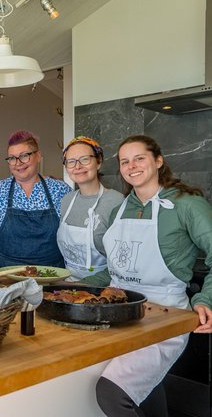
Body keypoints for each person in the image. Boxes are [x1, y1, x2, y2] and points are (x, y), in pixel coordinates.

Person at [79, 135, 212, 416]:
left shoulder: (187, 205)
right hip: (117, 312)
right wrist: (69, 285)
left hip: (164, 316)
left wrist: (206, 299)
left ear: (158, 161)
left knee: (112, 392)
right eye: (125, 161)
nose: (131, 166)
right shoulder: (119, 211)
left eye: (139, 158)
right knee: (139, 389)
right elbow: (116, 273)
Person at [0, 130, 71, 268]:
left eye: (24, 156)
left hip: (51, 276)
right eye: (12, 158)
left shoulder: (61, 190)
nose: (18, 163)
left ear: (38, 156)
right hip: (6, 277)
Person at [56, 136, 124, 280]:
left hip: (105, 287)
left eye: (85, 159)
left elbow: (122, 260)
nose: (78, 166)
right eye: (71, 162)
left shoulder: (116, 201)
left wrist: (86, 285)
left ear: (98, 162)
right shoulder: (66, 200)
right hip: (68, 284)